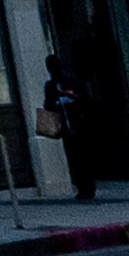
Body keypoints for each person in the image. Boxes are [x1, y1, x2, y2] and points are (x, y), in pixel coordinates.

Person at [42, 53, 97, 202]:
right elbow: (47, 105)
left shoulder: (72, 81)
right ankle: (80, 186)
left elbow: (85, 99)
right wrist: (56, 102)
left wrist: (70, 98)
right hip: (65, 126)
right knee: (73, 158)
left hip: (78, 124)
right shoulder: (50, 85)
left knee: (84, 157)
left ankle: (89, 188)